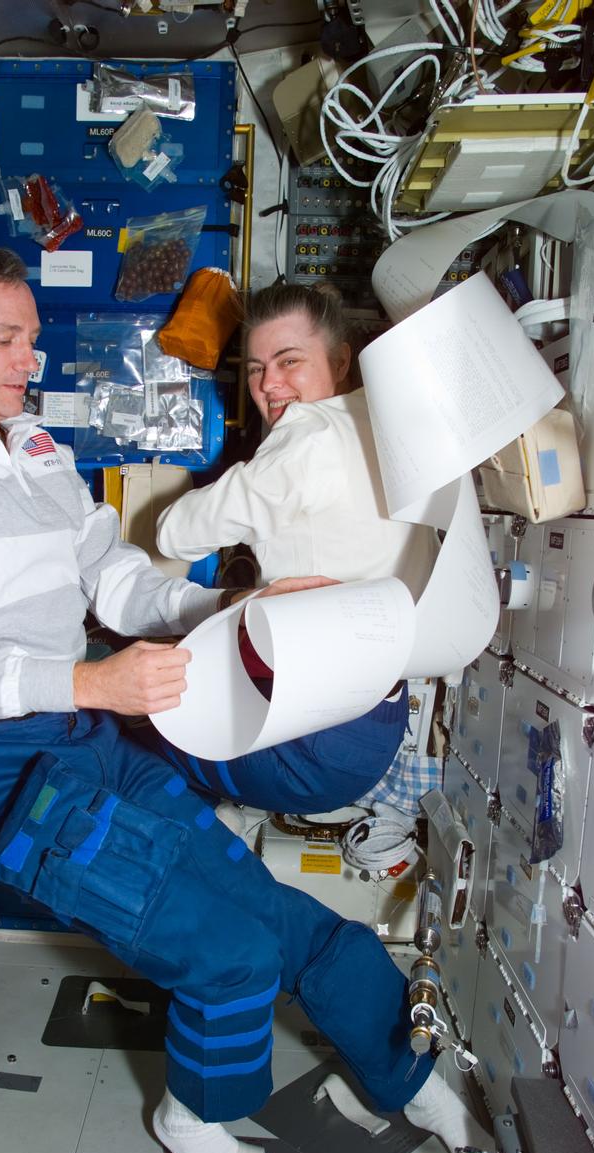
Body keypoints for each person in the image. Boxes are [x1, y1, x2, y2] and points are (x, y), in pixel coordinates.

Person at [0, 248, 501, 1153]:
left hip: (90, 733)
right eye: (5, 338)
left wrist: (233, 610)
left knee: (299, 927)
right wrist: (92, 678)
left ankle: (408, 1076)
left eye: (32, 338)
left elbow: (114, 577)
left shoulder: (32, 448)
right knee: (228, 954)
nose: (29, 359)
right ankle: (194, 1117)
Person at [153, 281, 441, 816]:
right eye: (256, 368)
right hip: (376, 721)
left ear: (340, 360)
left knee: (138, 728)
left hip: (312, 746)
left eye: (289, 361)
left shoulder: (309, 434)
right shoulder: (388, 415)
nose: (269, 383)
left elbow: (176, 532)